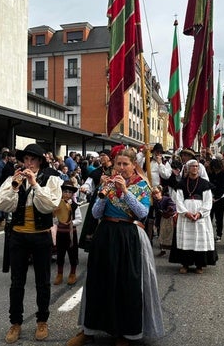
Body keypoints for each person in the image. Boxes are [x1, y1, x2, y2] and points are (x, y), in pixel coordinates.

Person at [66, 147, 163, 346]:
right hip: (106, 233)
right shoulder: (107, 182)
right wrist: (104, 192)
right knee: (98, 281)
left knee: (126, 285)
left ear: (133, 165)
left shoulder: (142, 185)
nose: (120, 168)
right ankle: (89, 329)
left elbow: (142, 213)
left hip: (129, 236)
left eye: (125, 164)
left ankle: (124, 332)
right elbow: (95, 213)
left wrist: (125, 192)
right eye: (118, 164)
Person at [0, 143, 62, 344]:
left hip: (41, 235)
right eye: (26, 159)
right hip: (18, 236)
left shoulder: (52, 179)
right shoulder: (13, 178)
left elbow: (50, 205)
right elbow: (2, 204)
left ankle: (42, 320)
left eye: (32, 159)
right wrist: (16, 187)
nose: (29, 163)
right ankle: (15, 322)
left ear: (40, 161)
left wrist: (34, 184)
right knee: (17, 282)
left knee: (42, 281)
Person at [169, 159, 218, 274]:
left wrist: (200, 213)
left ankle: (199, 265)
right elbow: (178, 200)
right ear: (187, 168)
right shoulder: (181, 183)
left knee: (199, 239)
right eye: (192, 166)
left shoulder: (205, 184)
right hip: (185, 216)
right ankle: (185, 264)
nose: (195, 168)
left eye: (197, 166)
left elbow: (208, 201)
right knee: (186, 239)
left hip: (200, 217)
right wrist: (186, 213)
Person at [52, 180, 82, 286]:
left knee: (72, 253)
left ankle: (72, 274)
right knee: (60, 254)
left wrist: (71, 222)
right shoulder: (58, 204)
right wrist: (55, 215)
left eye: (69, 192)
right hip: (60, 233)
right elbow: (54, 221)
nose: (67, 194)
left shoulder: (75, 206)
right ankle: (59, 274)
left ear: (72, 194)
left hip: (70, 233)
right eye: (65, 192)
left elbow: (79, 219)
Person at [207, 158, 224, 242]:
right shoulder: (210, 174)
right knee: (209, 216)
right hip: (210, 197)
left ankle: (219, 234)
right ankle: (208, 234)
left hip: (220, 198)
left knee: (219, 218)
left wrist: (216, 198)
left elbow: (223, 188)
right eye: (213, 167)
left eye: (216, 168)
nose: (215, 169)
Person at [151, 185, 176, 257]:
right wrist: (156, 223)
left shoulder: (166, 199)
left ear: (160, 192)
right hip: (162, 219)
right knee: (161, 234)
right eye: (153, 194)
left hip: (170, 218)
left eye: (157, 193)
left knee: (171, 235)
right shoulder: (155, 202)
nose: (156, 195)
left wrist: (170, 208)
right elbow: (157, 213)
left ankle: (173, 252)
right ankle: (163, 250)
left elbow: (173, 206)